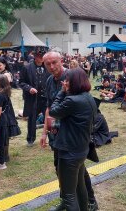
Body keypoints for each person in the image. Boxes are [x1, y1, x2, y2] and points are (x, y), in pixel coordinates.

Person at [41, 52, 98, 211]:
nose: (52, 67)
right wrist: (45, 132)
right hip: (64, 137)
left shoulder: (72, 78)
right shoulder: (50, 81)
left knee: (76, 176)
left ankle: (86, 201)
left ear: (61, 61)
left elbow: (54, 109)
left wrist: (63, 92)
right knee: (66, 172)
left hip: (70, 142)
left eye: (54, 62)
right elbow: (48, 107)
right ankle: (69, 201)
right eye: (48, 64)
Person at [19, 49, 50, 147]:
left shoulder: (48, 66)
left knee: (49, 118)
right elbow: (21, 82)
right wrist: (29, 88)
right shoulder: (27, 67)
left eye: (43, 57)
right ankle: (31, 139)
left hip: (46, 98)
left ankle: (52, 139)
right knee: (32, 119)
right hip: (33, 98)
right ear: (35, 56)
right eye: (39, 57)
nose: (41, 59)